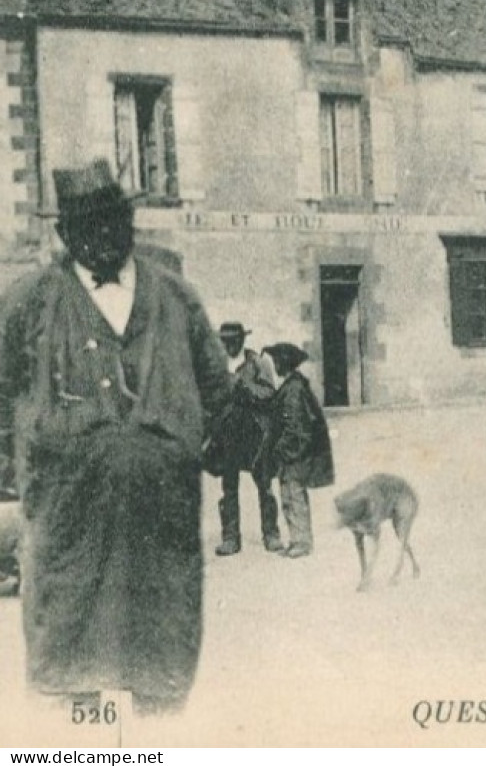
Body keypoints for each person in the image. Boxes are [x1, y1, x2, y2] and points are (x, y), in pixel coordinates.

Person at [0, 160, 230, 712]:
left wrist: (177, 451)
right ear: (64, 232)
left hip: (161, 517)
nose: (104, 232)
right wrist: (23, 469)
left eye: (114, 218)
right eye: (88, 221)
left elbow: (218, 388)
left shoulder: (177, 296)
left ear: (130, 220)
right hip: (65, 519)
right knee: (70, 658)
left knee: (161, 660)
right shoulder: (27, 301)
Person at [203, 322, 280, 556]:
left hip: (255, 433)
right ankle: (230, 537)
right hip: (226, 434)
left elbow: (269, 394)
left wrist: (244, 386)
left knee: (264, 484)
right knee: (229, 487)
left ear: (242, 340)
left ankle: (271, 534)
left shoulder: (258, 363)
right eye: (225, 342)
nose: (229, 346)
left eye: (234, 341)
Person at [263, 343, 334, 560]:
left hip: (294, 456)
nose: (274, 365)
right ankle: (297, 540)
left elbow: (297, 427)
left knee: (294, 496)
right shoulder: (292, 385)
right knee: (290, 496)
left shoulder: (293, 389)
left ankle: (302, 542)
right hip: (292, 454)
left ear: (284, 363)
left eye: (276, 361)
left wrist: (283, 450)